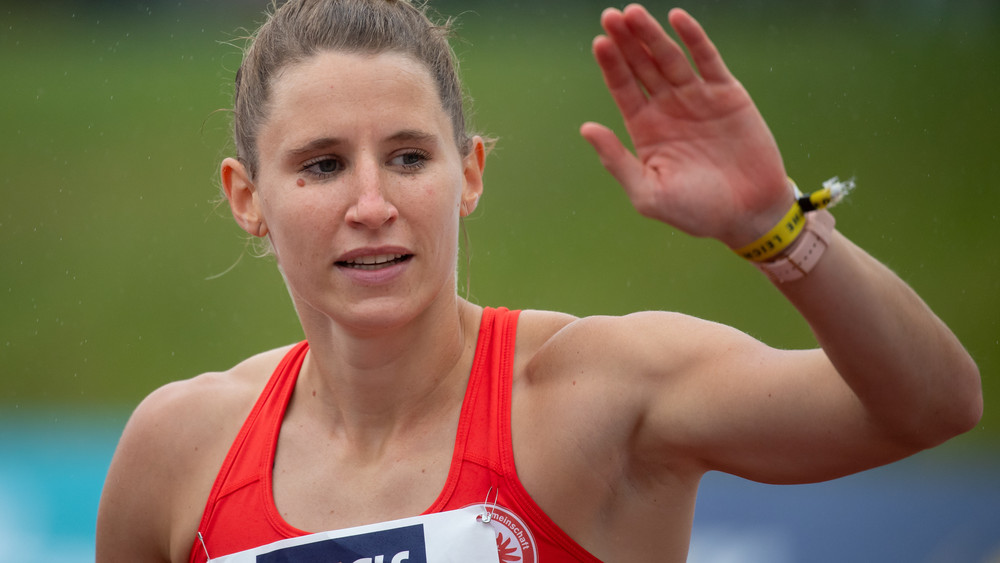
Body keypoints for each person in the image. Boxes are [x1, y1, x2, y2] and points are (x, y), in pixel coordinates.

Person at [96, 1, 982, 562]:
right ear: (248, 197)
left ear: (470, 173)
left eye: (409, 156)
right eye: (323, 166)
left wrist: (777, 229)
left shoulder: (596, 392)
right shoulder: (180, 451)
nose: (372, 203)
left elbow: (932, 405)